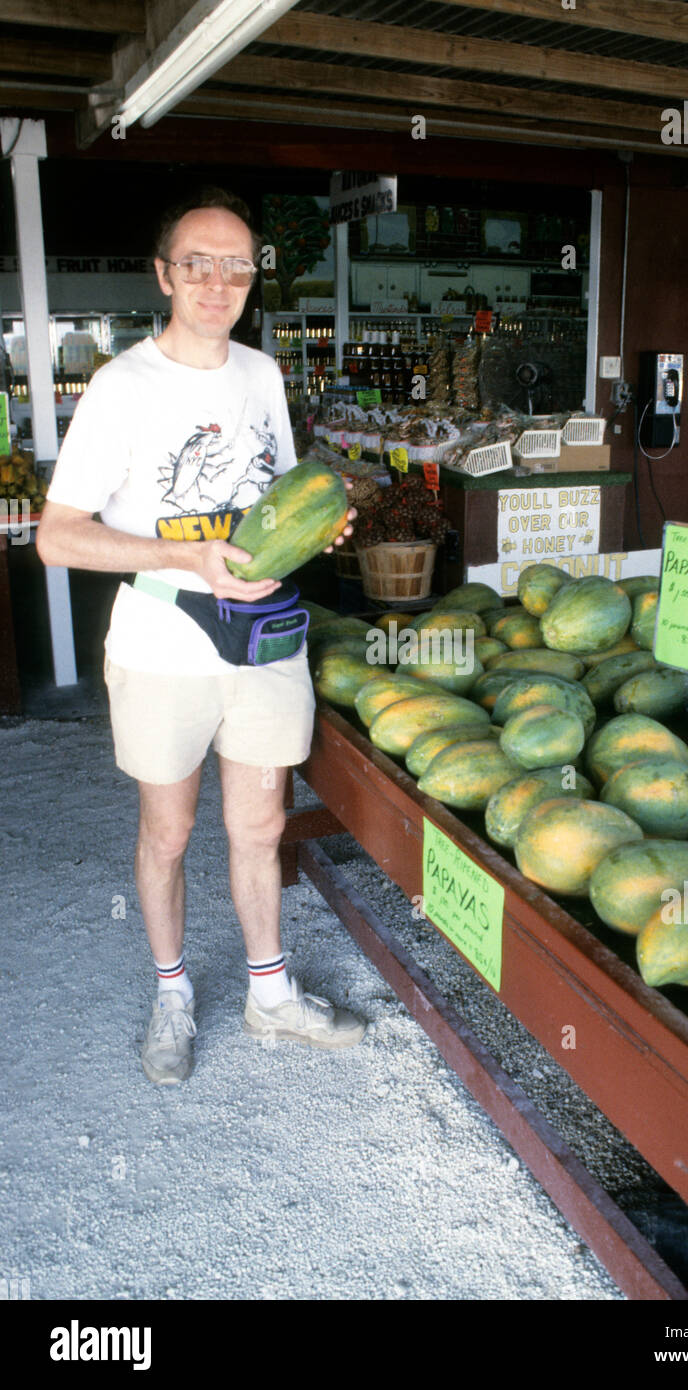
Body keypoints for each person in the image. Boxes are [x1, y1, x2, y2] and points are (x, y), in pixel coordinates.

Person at [37, 187, 365, 1085]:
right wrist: (191, 560)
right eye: (198, 263)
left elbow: (280, 499)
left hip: (264, 637)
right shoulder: (121, 385)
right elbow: (57, 535)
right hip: (161, 645)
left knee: (260, 823)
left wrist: (315, 526)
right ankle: (174, 994)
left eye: (237, 265)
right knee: (170, 832)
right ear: (164, 276)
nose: (219, 281)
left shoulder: (261, 375)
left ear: (252, 280)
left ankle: (269, 995)